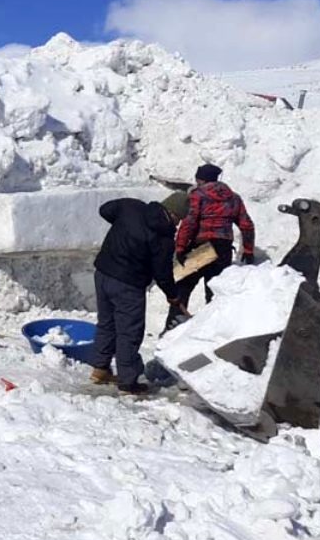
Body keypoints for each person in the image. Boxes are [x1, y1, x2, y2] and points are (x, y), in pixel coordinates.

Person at [88, 193, 189, 394]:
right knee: (129, 331)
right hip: (128, 285)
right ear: (173, 213)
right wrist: (173, 295)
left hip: (103, 274)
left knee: (106, 323)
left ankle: (100, 369)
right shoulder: (163, 237)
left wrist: (121, 225)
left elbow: (105, 210)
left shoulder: (130, 207)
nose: (178, 224)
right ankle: (128, 381)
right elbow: (162, 272)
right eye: (179, 218)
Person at [170, 164, 256, 325]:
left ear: (200, 179)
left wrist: (180, 247)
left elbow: (189, 223)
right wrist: (249, 250)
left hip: (201, 248)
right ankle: (213, 328)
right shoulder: (233, 197)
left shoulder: (198, 195)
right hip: (223, 250)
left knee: (183, 287)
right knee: (216, 292)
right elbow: (246, 225)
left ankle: (173, 325)